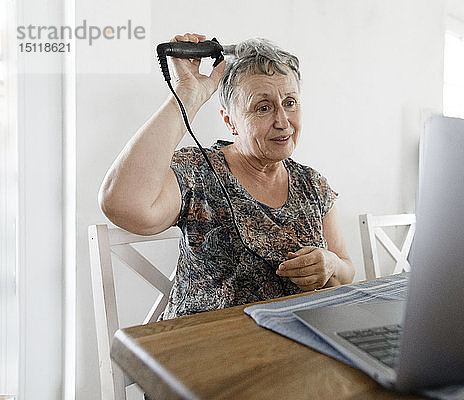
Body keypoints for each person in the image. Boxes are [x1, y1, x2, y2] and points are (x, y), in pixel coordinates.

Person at [99, 33, 355, 319]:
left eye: (290, 103)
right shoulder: (199, 171)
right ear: (230, 120)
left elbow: (346, 270)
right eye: (263, 107)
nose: (283, 121)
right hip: (207, 350)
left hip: (292, 345)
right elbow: (122, 203)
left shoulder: (313, 185)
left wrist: (330, 264)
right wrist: (187, 94)